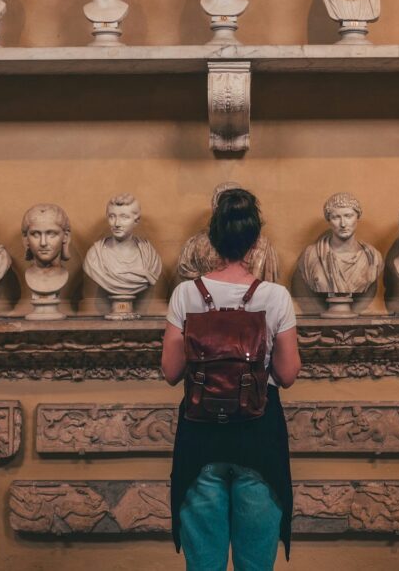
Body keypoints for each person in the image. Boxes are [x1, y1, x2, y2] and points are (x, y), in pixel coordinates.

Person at [162, 188, 301, 570]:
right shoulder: (276, 297)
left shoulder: (185, 294)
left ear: (213, 238)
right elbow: (287, 375)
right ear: (256, 241)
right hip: (259, 436)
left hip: (200, 434)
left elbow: (171, 372)